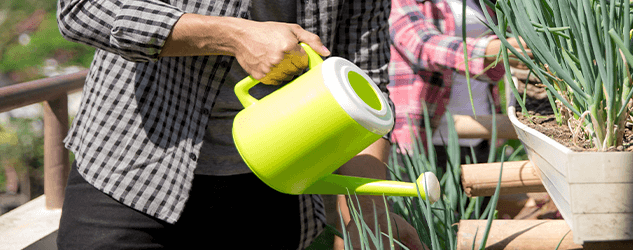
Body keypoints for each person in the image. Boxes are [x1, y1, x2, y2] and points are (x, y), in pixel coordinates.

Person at [55, 0, 421, 249]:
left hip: (274, 191)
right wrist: (233, 35)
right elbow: (81, 9)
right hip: (131, 178)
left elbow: (362, 84)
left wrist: (369, 211)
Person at [387, 0, 527, 163]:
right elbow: (423, 46)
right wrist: (497, 49)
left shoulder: (482, 3)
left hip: (480, 130)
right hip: (424, 132)